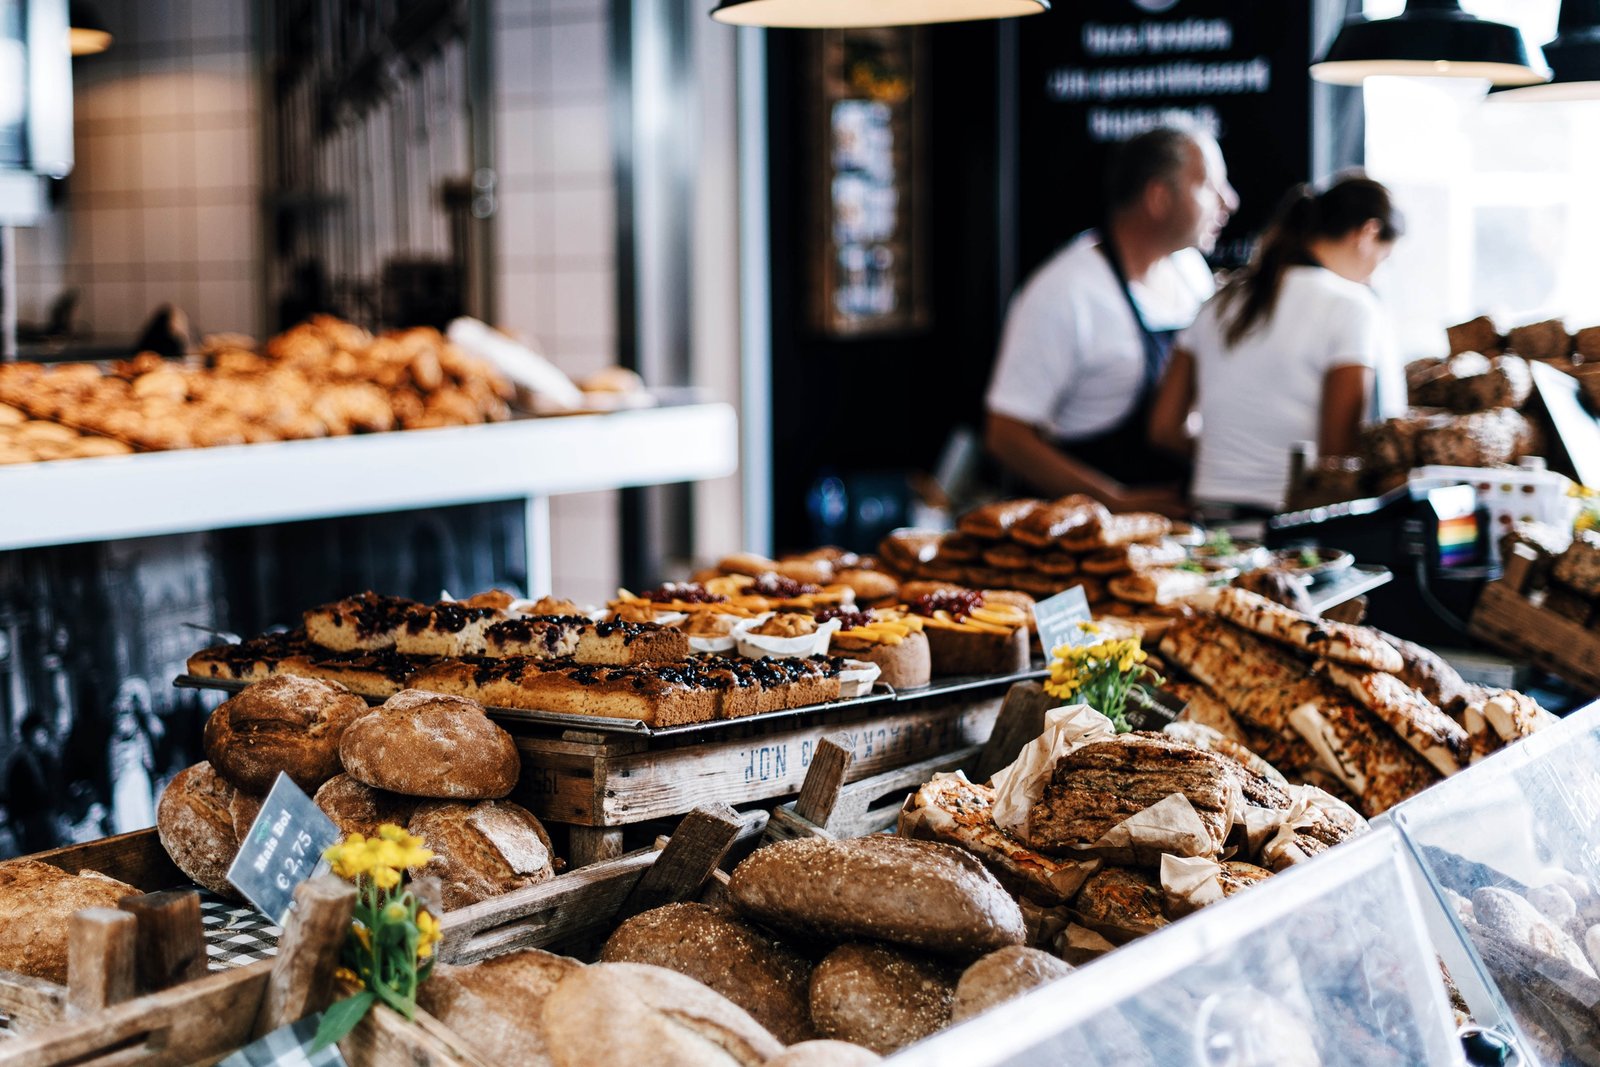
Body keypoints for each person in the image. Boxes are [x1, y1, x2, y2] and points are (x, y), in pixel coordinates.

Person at [985, 124, 1238, 516]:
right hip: (1083, 540)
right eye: (1209, 185)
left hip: (1178, 528)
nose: (1229, 201)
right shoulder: (1065, 292)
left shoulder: (1190, 271)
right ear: (1158, 197)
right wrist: (1113, 502)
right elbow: (1006, 436)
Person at [1148, 175, 1405, 514]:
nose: (1374, 275)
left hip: (1210, 518)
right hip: (1292, 527)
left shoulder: (1219, 301)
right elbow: (1337, 456)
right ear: (1368, 234)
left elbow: (1164, 429)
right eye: (1383, 260)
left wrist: (1232, 458)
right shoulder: (1352, 306)